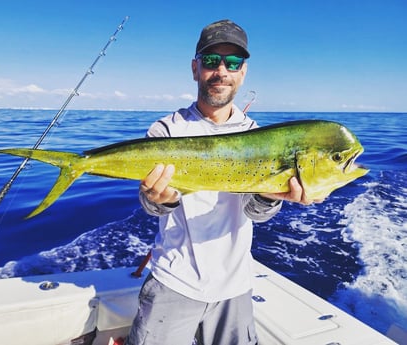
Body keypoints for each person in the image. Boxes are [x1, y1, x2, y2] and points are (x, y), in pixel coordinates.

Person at [126, 19, 321, 345]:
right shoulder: (166, 130)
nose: (221, 71)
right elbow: (152, 206)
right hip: (174, 281)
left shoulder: (258, 136)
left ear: (243, 72)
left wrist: (270, 196)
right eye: (211, 61)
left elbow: (254, 212)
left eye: (233, 63)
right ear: (195, 68)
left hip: (235, 287)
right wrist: (160, 198)